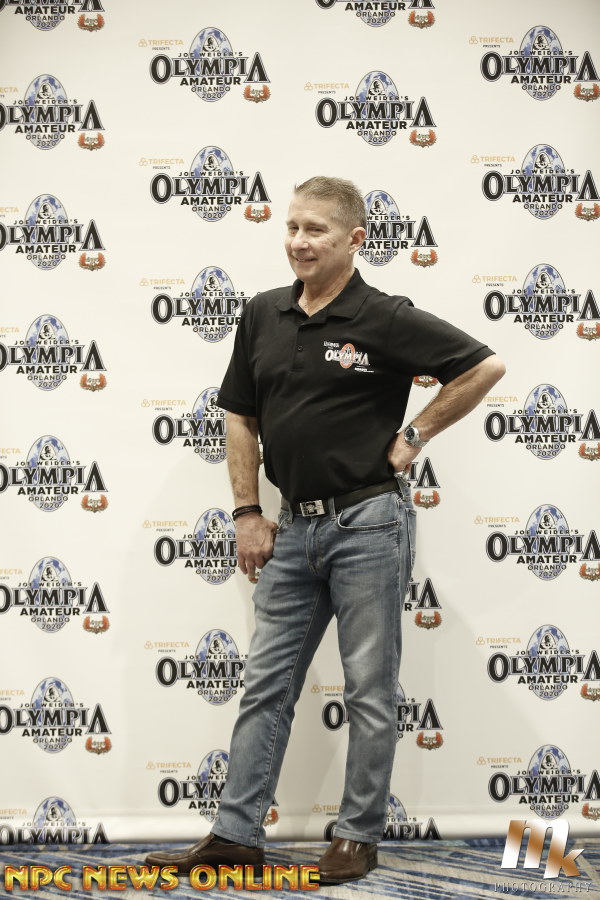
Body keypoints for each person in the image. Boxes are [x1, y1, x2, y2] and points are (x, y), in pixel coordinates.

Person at [146, 176, 505, 883]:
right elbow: (240, 416)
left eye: (316, 230)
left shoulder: (384, 316)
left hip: (369, 523)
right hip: (291, 530)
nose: (299, 242)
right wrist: (246, 512)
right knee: (266, 684)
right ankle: (236, 834)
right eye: (292, 227)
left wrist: (415, 435)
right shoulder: (263, 313)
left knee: (368, 687)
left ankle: (357, 837)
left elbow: (483, 365)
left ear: (354, 239)